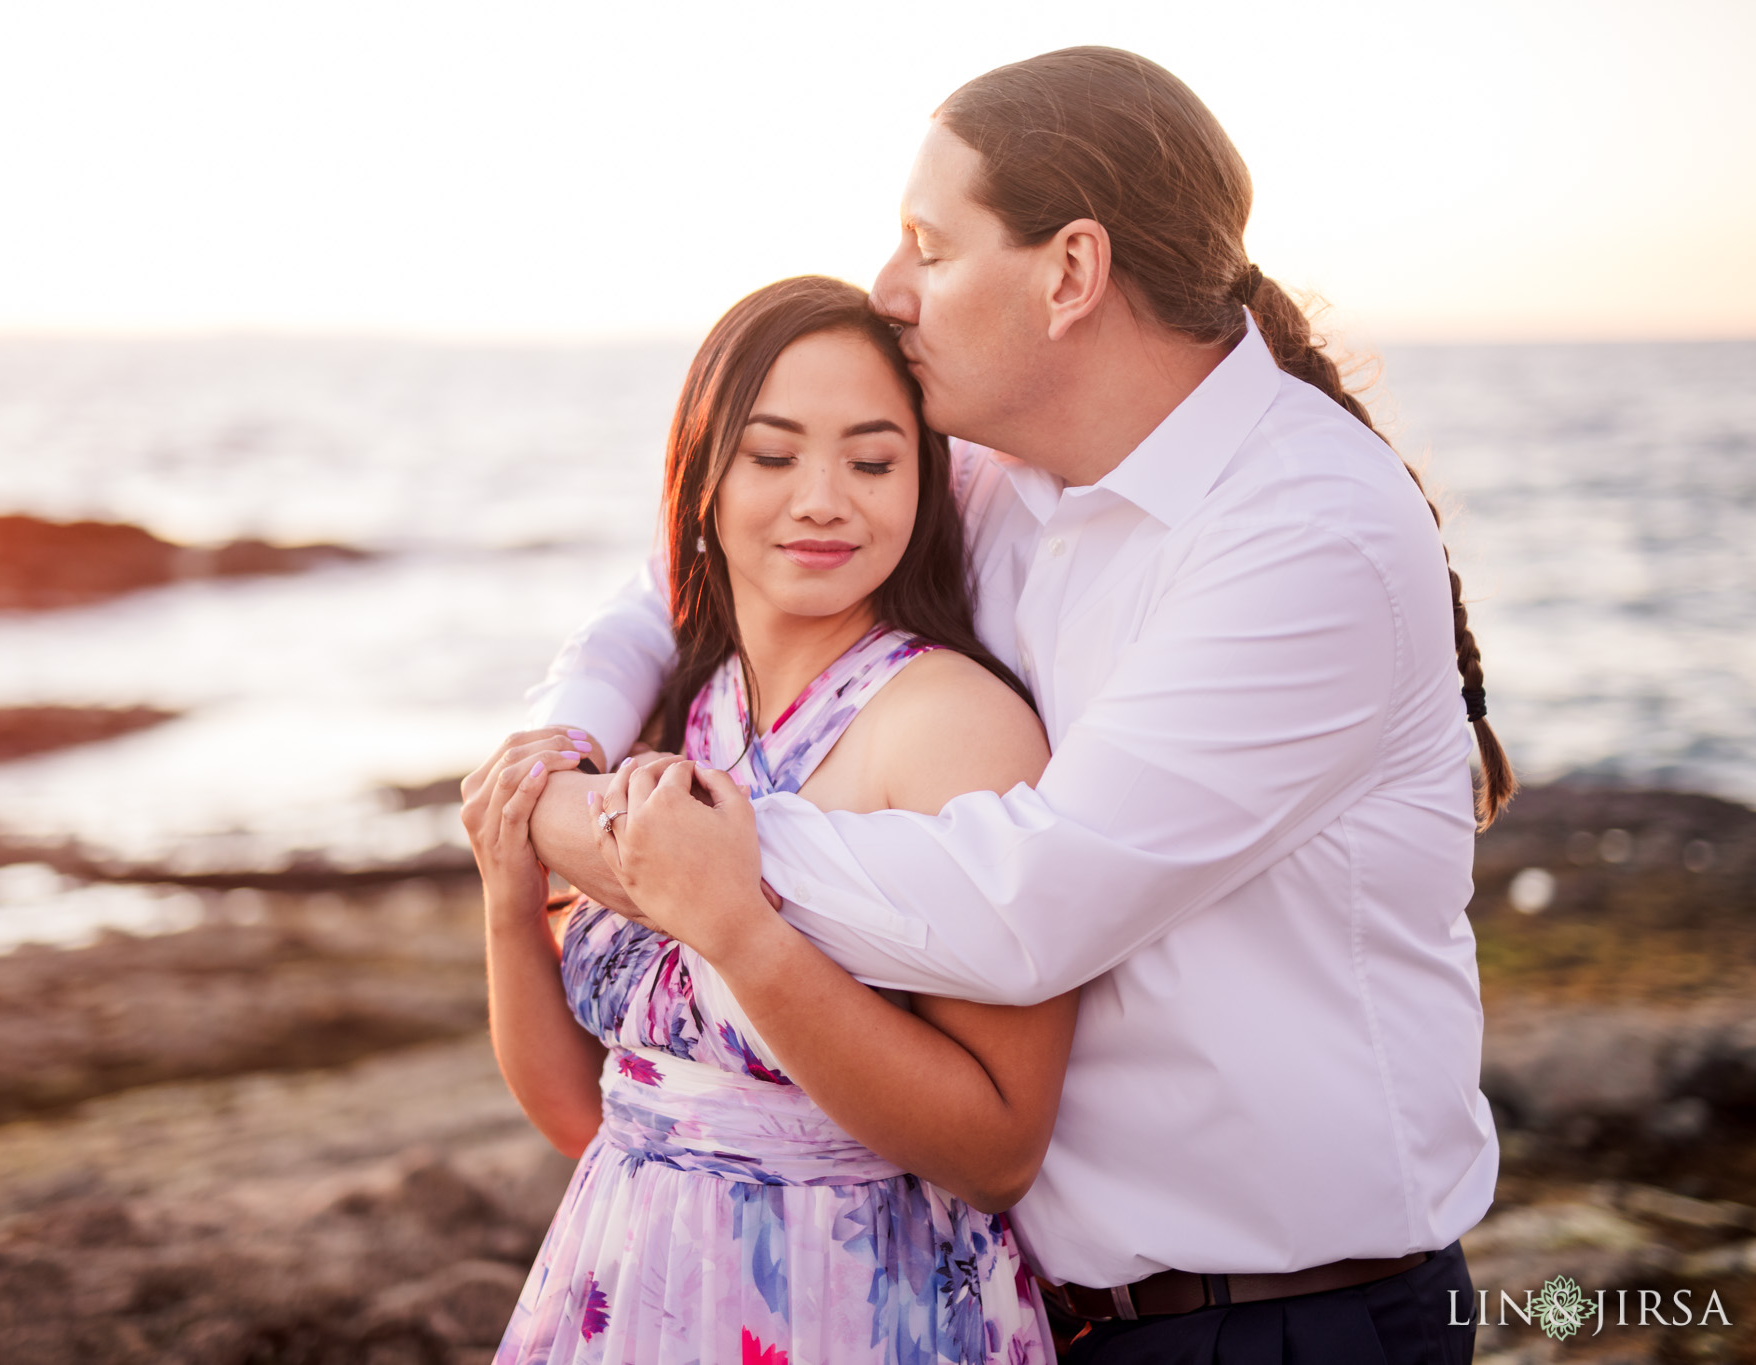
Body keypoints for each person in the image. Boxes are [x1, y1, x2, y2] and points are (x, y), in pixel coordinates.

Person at [512, 47, 1516, 1365]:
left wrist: (650, 844)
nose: (888, 288)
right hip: (1042, 1309)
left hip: (1282, 1320)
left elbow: (1022, 908)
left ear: (1072, 274)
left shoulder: (1306, 533)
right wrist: (570, 738)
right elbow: (687, 565)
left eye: (929, 244)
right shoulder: (999, 471)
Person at [462, 275, 1073, 1363]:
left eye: (872, 461)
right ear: (700, 477)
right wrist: (508, 895)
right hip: (628, 1289)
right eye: (773, 455)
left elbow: (997, 1151)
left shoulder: (949, 726)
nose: (823, 499)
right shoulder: (674, 712)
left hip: (855, 1307)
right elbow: (583, 1115)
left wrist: (739, 929)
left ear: (925, 485)